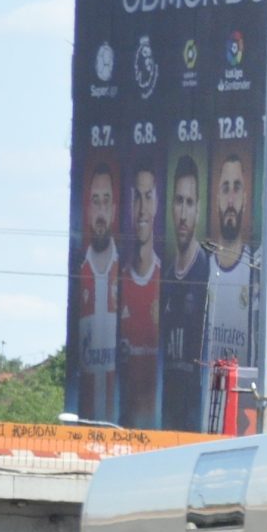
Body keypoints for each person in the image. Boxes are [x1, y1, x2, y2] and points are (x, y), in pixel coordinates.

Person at [202, 150, 260, 424]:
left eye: (237, 188)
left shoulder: (256, 271)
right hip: (206, 408)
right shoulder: (204, 268)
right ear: (216, 199)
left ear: (246, 199)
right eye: (225, 188)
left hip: (242, 410)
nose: (231, 198)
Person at [161, 155, 210, 432]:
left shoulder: (206, 272)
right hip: (168, 413)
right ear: (170, 206)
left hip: (196, 416)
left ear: (198, 210)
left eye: (189, 203)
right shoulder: (166, 277)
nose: (183, 214)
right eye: (178, 201)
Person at [73, 158, 120, 425]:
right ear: (88, 208)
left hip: (122, 429)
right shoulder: (79, 271)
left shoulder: (125, 267)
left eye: (106, 201)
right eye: (95, 201)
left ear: (113, 209)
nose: (100, 211)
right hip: (82, 430)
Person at [118, 165, 163, 429]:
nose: (142, 208)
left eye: (148, 196)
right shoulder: (117, 283)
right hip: (119, 430)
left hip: (159, 437)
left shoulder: (165, 281)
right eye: (136, 197)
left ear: (157, 204)